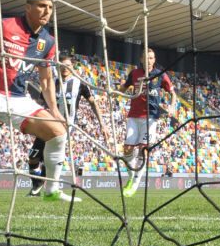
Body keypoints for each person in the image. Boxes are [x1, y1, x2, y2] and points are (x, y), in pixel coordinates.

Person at [0, 0, 77, 202]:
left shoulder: (49, 41)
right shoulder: (4, 25)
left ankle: (51, 190)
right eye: (42, 6)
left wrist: (54, 110)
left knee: (58, 132)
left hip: (18, 99)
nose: (47, 11)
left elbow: (45, 80)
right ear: (27, 7)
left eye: (51, 7)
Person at [26, 54, 108, 196]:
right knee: (33, 158)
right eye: (62, 65)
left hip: (64, 128)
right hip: (47, 124)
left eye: (68, 66)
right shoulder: (51, 82)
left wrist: (102, 124)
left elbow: (93, 102)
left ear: (72, 67)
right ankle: (38, 183)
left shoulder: (80, 84)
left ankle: (44, 189)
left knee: (49, 157)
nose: (65, 68)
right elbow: (40, 103)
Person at [119, 48, 177, 197]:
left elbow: (173, 94)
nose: (149, 61)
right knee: (127, 149)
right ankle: (131, 177)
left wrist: (171, 106)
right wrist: (118, 89)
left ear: (154, 59)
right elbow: (123, 88)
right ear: (141, 59)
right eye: (146, 58)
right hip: (133, 115)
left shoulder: (160, 75)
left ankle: (136, 183)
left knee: (143, 150)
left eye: (151, 58)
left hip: (151, 117)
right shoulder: (135, 73)